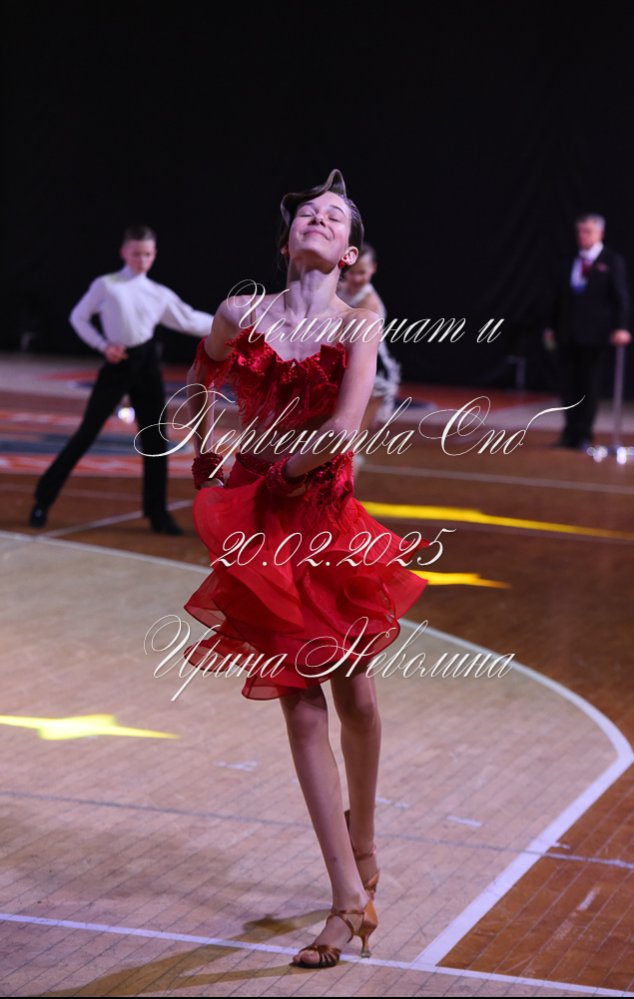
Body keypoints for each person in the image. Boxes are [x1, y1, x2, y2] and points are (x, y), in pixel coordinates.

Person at [183, 169, 429, 968]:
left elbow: (345, 427)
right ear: (287, 240)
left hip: (324, 517)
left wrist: (282, 472)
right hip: (264, 527)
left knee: (356, 695)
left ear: (349, 250)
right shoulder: (240, 312)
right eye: (309, 213)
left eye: (335, 217)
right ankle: (346, 897)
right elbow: (201, 374)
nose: (319, 219)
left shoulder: (359, 324)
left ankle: (365, 842)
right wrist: (205, 441)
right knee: (299, 705)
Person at [29, 224, 214, 534]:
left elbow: (190, 319)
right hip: (118, 365)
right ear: (124, 253)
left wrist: (232, 321)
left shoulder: (158, 294)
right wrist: (103, 345)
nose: (142, 260)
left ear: (154, 255)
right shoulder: (107, 285)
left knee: (155, 440)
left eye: (148, 254)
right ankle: (42, 501)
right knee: (86, 433)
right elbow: (78, 317)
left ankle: (157, 514)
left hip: (147, 365)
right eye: (137, 253)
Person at [544, 213, 632, 450]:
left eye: (588, 231)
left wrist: (621, 327)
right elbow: (558, 298)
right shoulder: (569, 261)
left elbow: (620, 297)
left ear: (600, 234)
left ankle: (584, 432)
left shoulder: (611, 261)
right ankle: (569, 432)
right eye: (580, 232)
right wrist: (551, 326)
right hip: (568, 333)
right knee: (568, 385)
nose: (582, 236)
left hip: (595, 336)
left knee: (589, 385)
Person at [337, 242, 402, 429]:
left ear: (373, 268)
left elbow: (347, 339)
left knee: (353, 430)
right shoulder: (340, 289)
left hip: (373, 368)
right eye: (352, 272)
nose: (356, 278)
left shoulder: (369, 302)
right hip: (348, 361)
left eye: (362, 272)